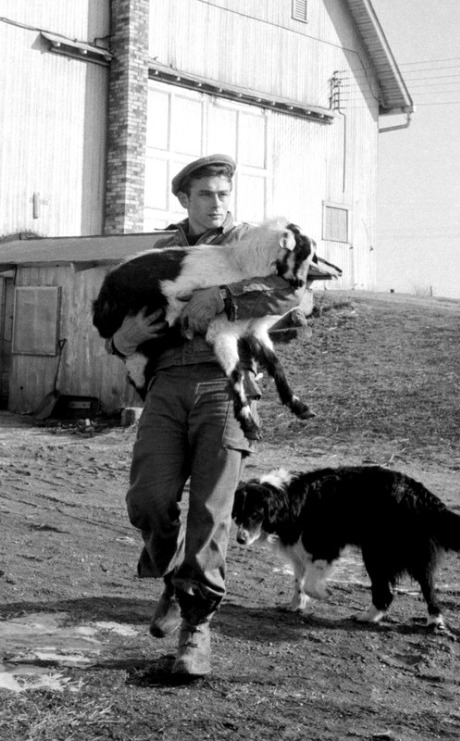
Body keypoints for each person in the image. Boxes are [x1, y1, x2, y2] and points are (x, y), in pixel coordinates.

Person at [108, 154, 306, 677]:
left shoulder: (255, 244)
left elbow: (297, 295)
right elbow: (121, 313)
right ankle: (174, 574)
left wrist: (227, 295)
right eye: (205, 195)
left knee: (213, 512)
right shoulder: (160, 253)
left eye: (223, 193)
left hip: (227, 383)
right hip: (167, 383)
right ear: (183, 200)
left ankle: (196, 630)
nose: (217, 203)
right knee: (148, 498)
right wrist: (117, 340)